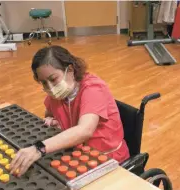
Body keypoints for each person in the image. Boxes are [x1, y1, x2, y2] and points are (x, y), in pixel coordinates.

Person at [10, 46, 130, 177]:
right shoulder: (58, 94)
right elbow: (49, 113)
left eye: (53, 79)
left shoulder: (93, 88)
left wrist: (39, 148)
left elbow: (85, 130)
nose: (50, 87)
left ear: (70, 70)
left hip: (106, 160)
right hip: (77, 155)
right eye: (44, 83)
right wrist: (53, 120)